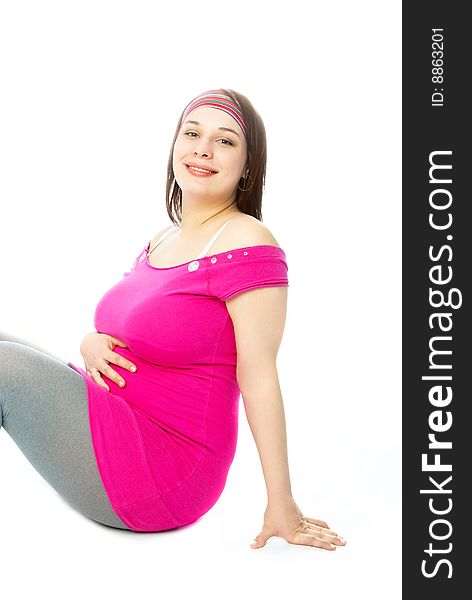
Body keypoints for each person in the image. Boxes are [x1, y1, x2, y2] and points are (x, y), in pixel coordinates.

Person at [1, 88, 346, 550]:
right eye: (192, 133)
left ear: (248, 165)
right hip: (117, 420)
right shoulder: (163, 239)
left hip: (165, 467)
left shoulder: (249, 241)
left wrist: (280, 502)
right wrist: (90, 341)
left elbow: (259, 374)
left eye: (225, 141)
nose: (203, 148)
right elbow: (133, 328)